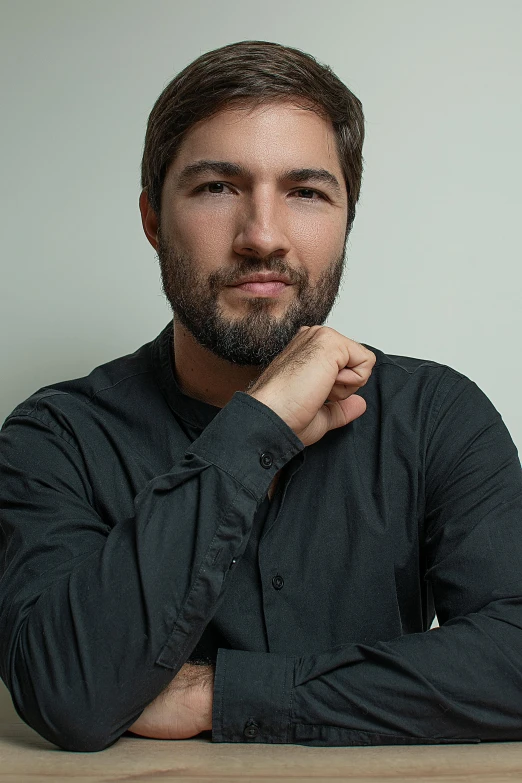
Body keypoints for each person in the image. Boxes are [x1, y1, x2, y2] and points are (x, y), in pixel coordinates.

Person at [1, 40, 522, 753]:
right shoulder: (53, 438)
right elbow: (65, 690)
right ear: (153, 219)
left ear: (347, 222)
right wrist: (259, 425)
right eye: (217, 186)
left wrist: (221, 692)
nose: (262, 237)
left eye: (306, 192)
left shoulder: (438, 417)